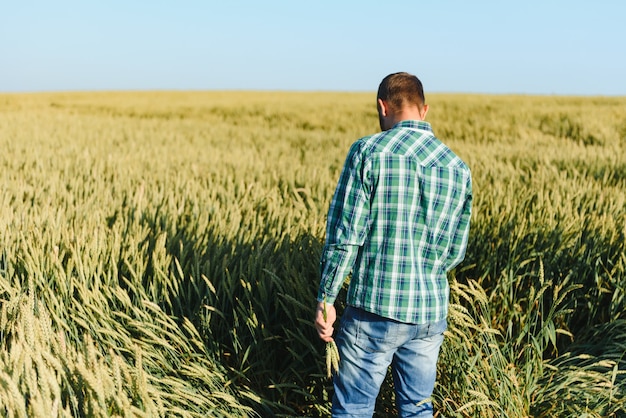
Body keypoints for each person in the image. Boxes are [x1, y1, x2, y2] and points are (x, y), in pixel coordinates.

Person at [314, 72, 472, 417]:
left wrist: (326, 298)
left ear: (382, 107)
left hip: (374, 309)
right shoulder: (458, 168)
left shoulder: (369, 152)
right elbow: (455, 250)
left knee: (354, 408)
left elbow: (346, 235)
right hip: (429, 312)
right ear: (424, 110)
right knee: (417, 408)